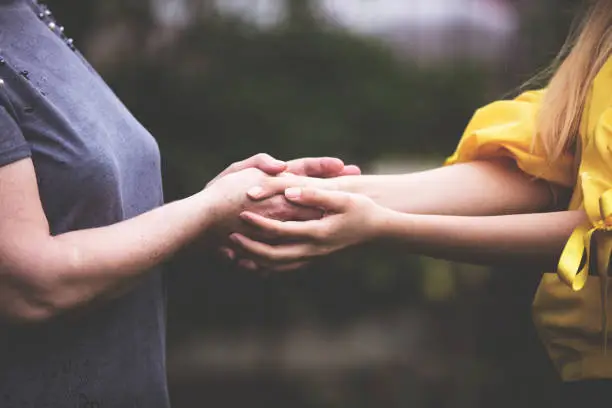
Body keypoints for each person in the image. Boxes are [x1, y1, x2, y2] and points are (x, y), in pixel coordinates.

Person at [227, 0, 612, 404]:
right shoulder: (600, 39)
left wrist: (382, 225)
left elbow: (600, 238)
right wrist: (318, 195)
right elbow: (544, 157)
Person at [0, 1, 361, 407]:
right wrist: (208, 209)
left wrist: (210, 215)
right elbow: (30, 288)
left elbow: (92, 213)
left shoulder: (28, 14)